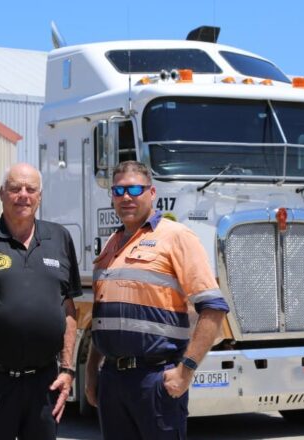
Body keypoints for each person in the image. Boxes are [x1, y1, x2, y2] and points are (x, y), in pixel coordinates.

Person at [84, 161, 230, 440]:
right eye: (118, 191)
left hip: (155, 380)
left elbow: (214, 308)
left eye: (134, 189)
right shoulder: (112, 244)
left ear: (152, 193)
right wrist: (91, 370)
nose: (126, 197)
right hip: (112, 381)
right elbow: (102, 317)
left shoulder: (176, 236)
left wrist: (186, 371)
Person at [0, 163, 80, 440]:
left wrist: (68, 370)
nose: (23, 195)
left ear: (40, 196)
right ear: (1, 193)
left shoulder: (59, 238)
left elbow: (69, 310)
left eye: (30, 189)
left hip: (45, 383)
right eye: (15, 188)